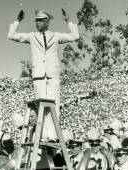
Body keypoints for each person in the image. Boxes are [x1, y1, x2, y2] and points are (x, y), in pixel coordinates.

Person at [8, 8, 79, 140]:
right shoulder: (32, 36)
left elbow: (74, 36)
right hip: (38, 74)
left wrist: (68, 21)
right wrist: (17, 20)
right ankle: (42, 134)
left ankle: (52, 134)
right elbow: (12, 35)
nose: (37, 23)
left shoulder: (56, 35)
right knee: (41, 106)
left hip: (53, 74)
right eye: (36, 21)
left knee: (54, 105)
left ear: (47, 22)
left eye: (40, 21)